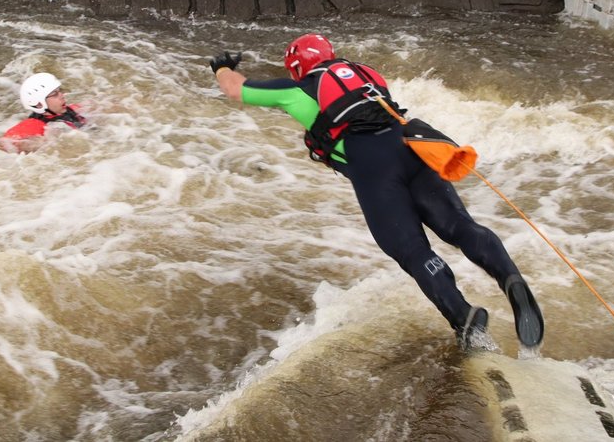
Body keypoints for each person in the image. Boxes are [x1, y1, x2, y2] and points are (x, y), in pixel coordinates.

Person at [209, 34, 544, 351]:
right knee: (459, 226)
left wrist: (222, 67)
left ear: (296, 68)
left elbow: (234, 90)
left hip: (373, 167)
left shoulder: (294, 90)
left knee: (411, 250)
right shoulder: (368, 77)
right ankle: (511, 279)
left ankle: (464, 318)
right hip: (411, 148)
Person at [0, 72, 87, 153]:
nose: (62, 96)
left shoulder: (67, 110)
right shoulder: (34, 125)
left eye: (60, 91)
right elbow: (2, 144)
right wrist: (36, 144)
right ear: (39, 104)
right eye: (55, 94)